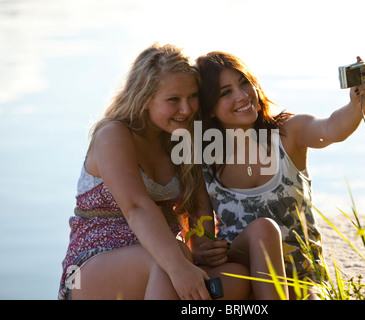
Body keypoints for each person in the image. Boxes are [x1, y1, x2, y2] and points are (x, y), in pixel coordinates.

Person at [58, 43, 250, 300]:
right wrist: (180, 266)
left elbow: (199, 214)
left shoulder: (183, 138)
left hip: (167, 259)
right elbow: (136, 207)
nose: (186, 109)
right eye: (173, 100)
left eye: (192, 96)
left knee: (239, 278)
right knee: (168, 265)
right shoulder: (114, 135)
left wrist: (201, 247)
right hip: (89, 267)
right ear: (145, 98)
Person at [195, 51, 365, 299]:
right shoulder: (206, 161)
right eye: (225, 92)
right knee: (263, 230)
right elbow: (201, 238)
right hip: (241, 267)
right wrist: (203, 251)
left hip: (301, 276)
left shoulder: (289, 134)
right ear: (210, 108)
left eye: (244, 82)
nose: (242, 95)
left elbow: (332, 128)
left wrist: (356, 105)